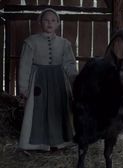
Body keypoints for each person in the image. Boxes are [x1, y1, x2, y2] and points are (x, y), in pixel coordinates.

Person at [18, 8, 78, 151]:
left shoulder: (64, 44)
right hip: (39, 82)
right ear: (40, 22)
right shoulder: (31, 42)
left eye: (53, 20)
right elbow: (25, 65)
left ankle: (61, 142)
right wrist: (23, 88)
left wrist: (75, 83)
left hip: (59, 82)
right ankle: (36, 144)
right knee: (38, 111)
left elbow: (70, 65)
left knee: (59, 110)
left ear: (58, 24)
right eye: (46, 20)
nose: (49, 23)